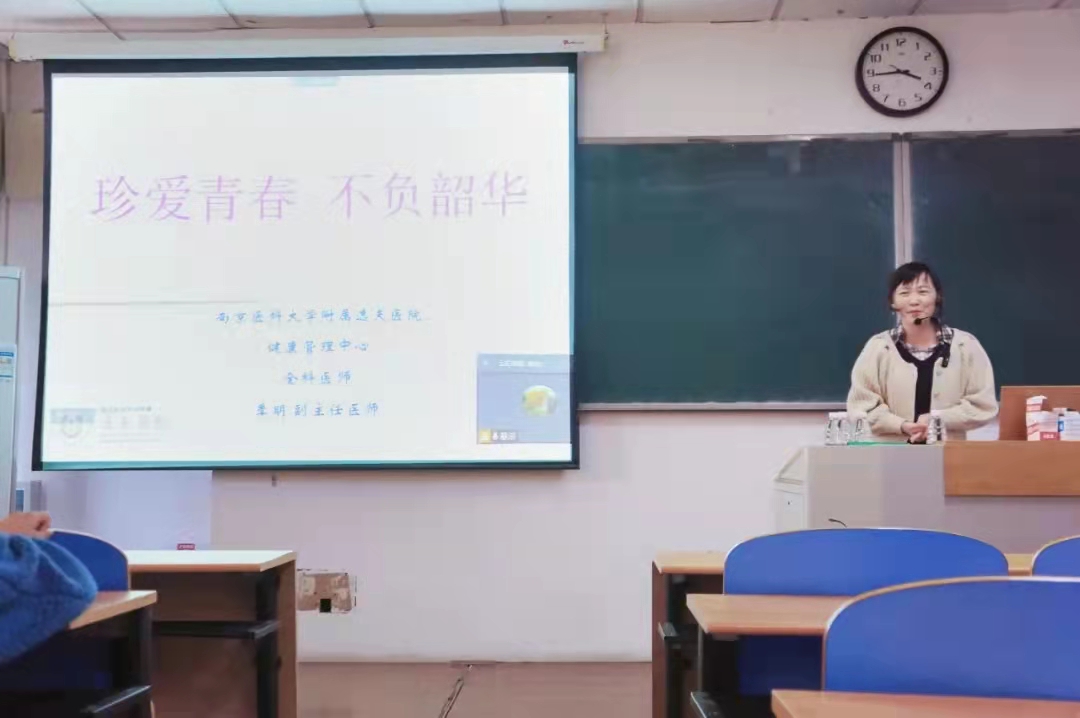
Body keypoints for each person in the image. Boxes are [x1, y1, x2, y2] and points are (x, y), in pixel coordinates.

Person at [847, 262, 998, 442]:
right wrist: (901, 425)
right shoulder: (878, 347)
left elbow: (982, 405)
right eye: (904, 293)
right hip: (891, 453)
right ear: (893, 302)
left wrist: (939, 419)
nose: (914, 301)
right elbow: (862, 406)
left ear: (937, 297)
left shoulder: (965, 346)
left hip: (949, 454)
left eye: (923, 292)